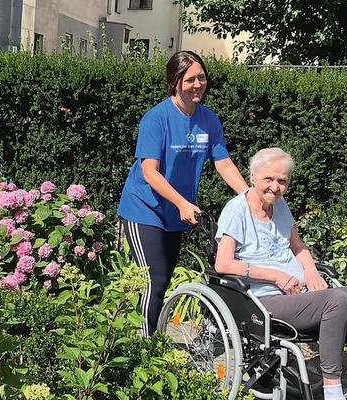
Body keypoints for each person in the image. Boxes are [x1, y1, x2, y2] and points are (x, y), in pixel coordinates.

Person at [117, 50, 248, 336]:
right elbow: (150, 172)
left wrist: (249, 197)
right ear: (175, 82)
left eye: (202, 78)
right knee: (154, 279)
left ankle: (148, 337)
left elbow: (223, 163)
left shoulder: (209, 120)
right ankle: (144, 346)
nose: (198, 84)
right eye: (190, 79)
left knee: (163, 280)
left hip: (176, 210)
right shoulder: (156, 119)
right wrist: (182, 203)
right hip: (144, 208)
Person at [215, 147, 347, 400]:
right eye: (269, 179)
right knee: (337, 300)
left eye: (282, 181)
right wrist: (277, 276)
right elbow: (223, 264)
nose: (275, 187)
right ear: (252, 176)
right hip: (262, 302)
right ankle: (332, 389)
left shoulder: (280, 205)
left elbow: (298, 246)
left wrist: (310, 272)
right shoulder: (237, 210)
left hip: (298, 293)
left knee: (342, 296)